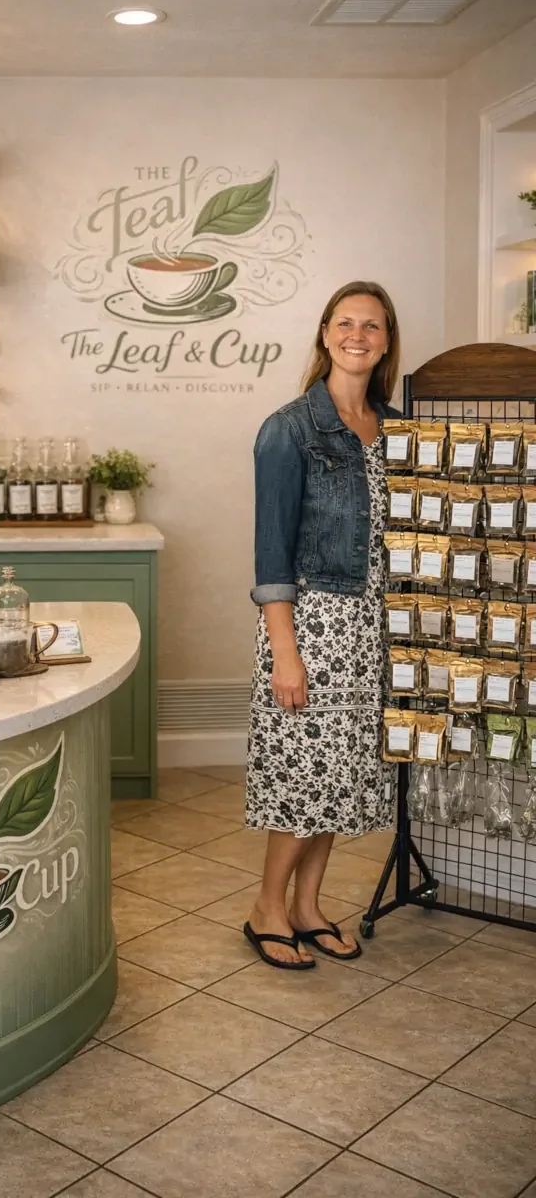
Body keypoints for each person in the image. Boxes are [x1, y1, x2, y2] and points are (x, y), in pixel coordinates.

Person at [244, 280, 401, 970]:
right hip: (312, 626)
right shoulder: (290, 428)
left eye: (372, 325)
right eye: (346, 322)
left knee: (338, 777)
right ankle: (266, 909)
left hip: (372, 628)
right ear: (325, 333)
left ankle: (308, 908)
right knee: (301, 774)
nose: (358, 334)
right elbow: (271, 552)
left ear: (387, 340)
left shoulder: (394, 429)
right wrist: (286, 652)